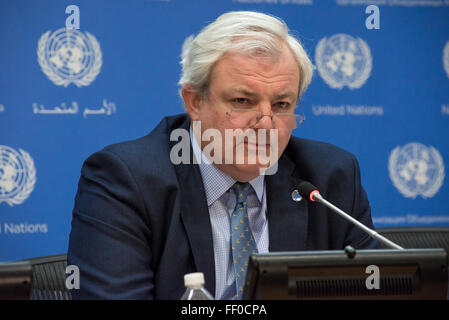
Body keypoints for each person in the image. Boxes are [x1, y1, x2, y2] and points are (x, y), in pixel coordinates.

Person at [67, 11, 381, 300]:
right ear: (194, 102)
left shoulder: (329, 178)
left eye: (282, 105)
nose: (266, 124)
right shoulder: (125, 181)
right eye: (243, 101)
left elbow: (377, 289)